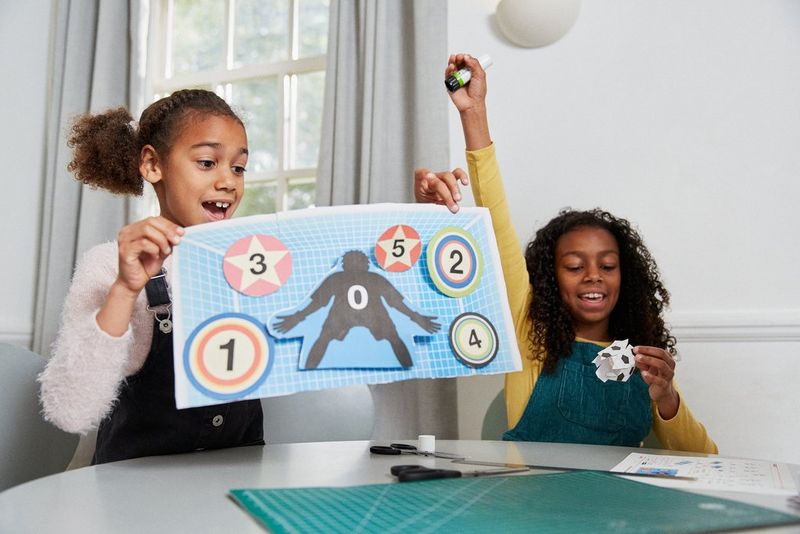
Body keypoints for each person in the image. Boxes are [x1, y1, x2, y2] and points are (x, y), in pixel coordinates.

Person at [415, 54, 717, 453]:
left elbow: (705, 460)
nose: (593, 275)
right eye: (574, 266)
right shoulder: (530, 329)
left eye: (608, 265)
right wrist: (474, 113)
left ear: (625, 277)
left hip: (616, 495)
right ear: (550, 278)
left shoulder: (641, 358)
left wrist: (667, 398)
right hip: (528, 490)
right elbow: (495, 221)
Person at [38, 89, 264, 464]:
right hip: (132, 485)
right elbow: (70, 411)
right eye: (207, 162)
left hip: (236, 479)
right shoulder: (108, 265)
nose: (229, 181)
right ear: (152, 164)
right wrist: (125, 290)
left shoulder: (252, 265)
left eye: (238, 168)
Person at [274, 250, 440, 369]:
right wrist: (417, 317)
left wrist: (297, 317)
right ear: (365, 264)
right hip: (371, 314)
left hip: (345, 315)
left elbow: (317, 304)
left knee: (323, 339)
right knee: (394, 339)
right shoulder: (374, 278)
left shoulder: (337, 277)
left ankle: (309, 368)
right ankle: (409, 367)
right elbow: (397, 304)